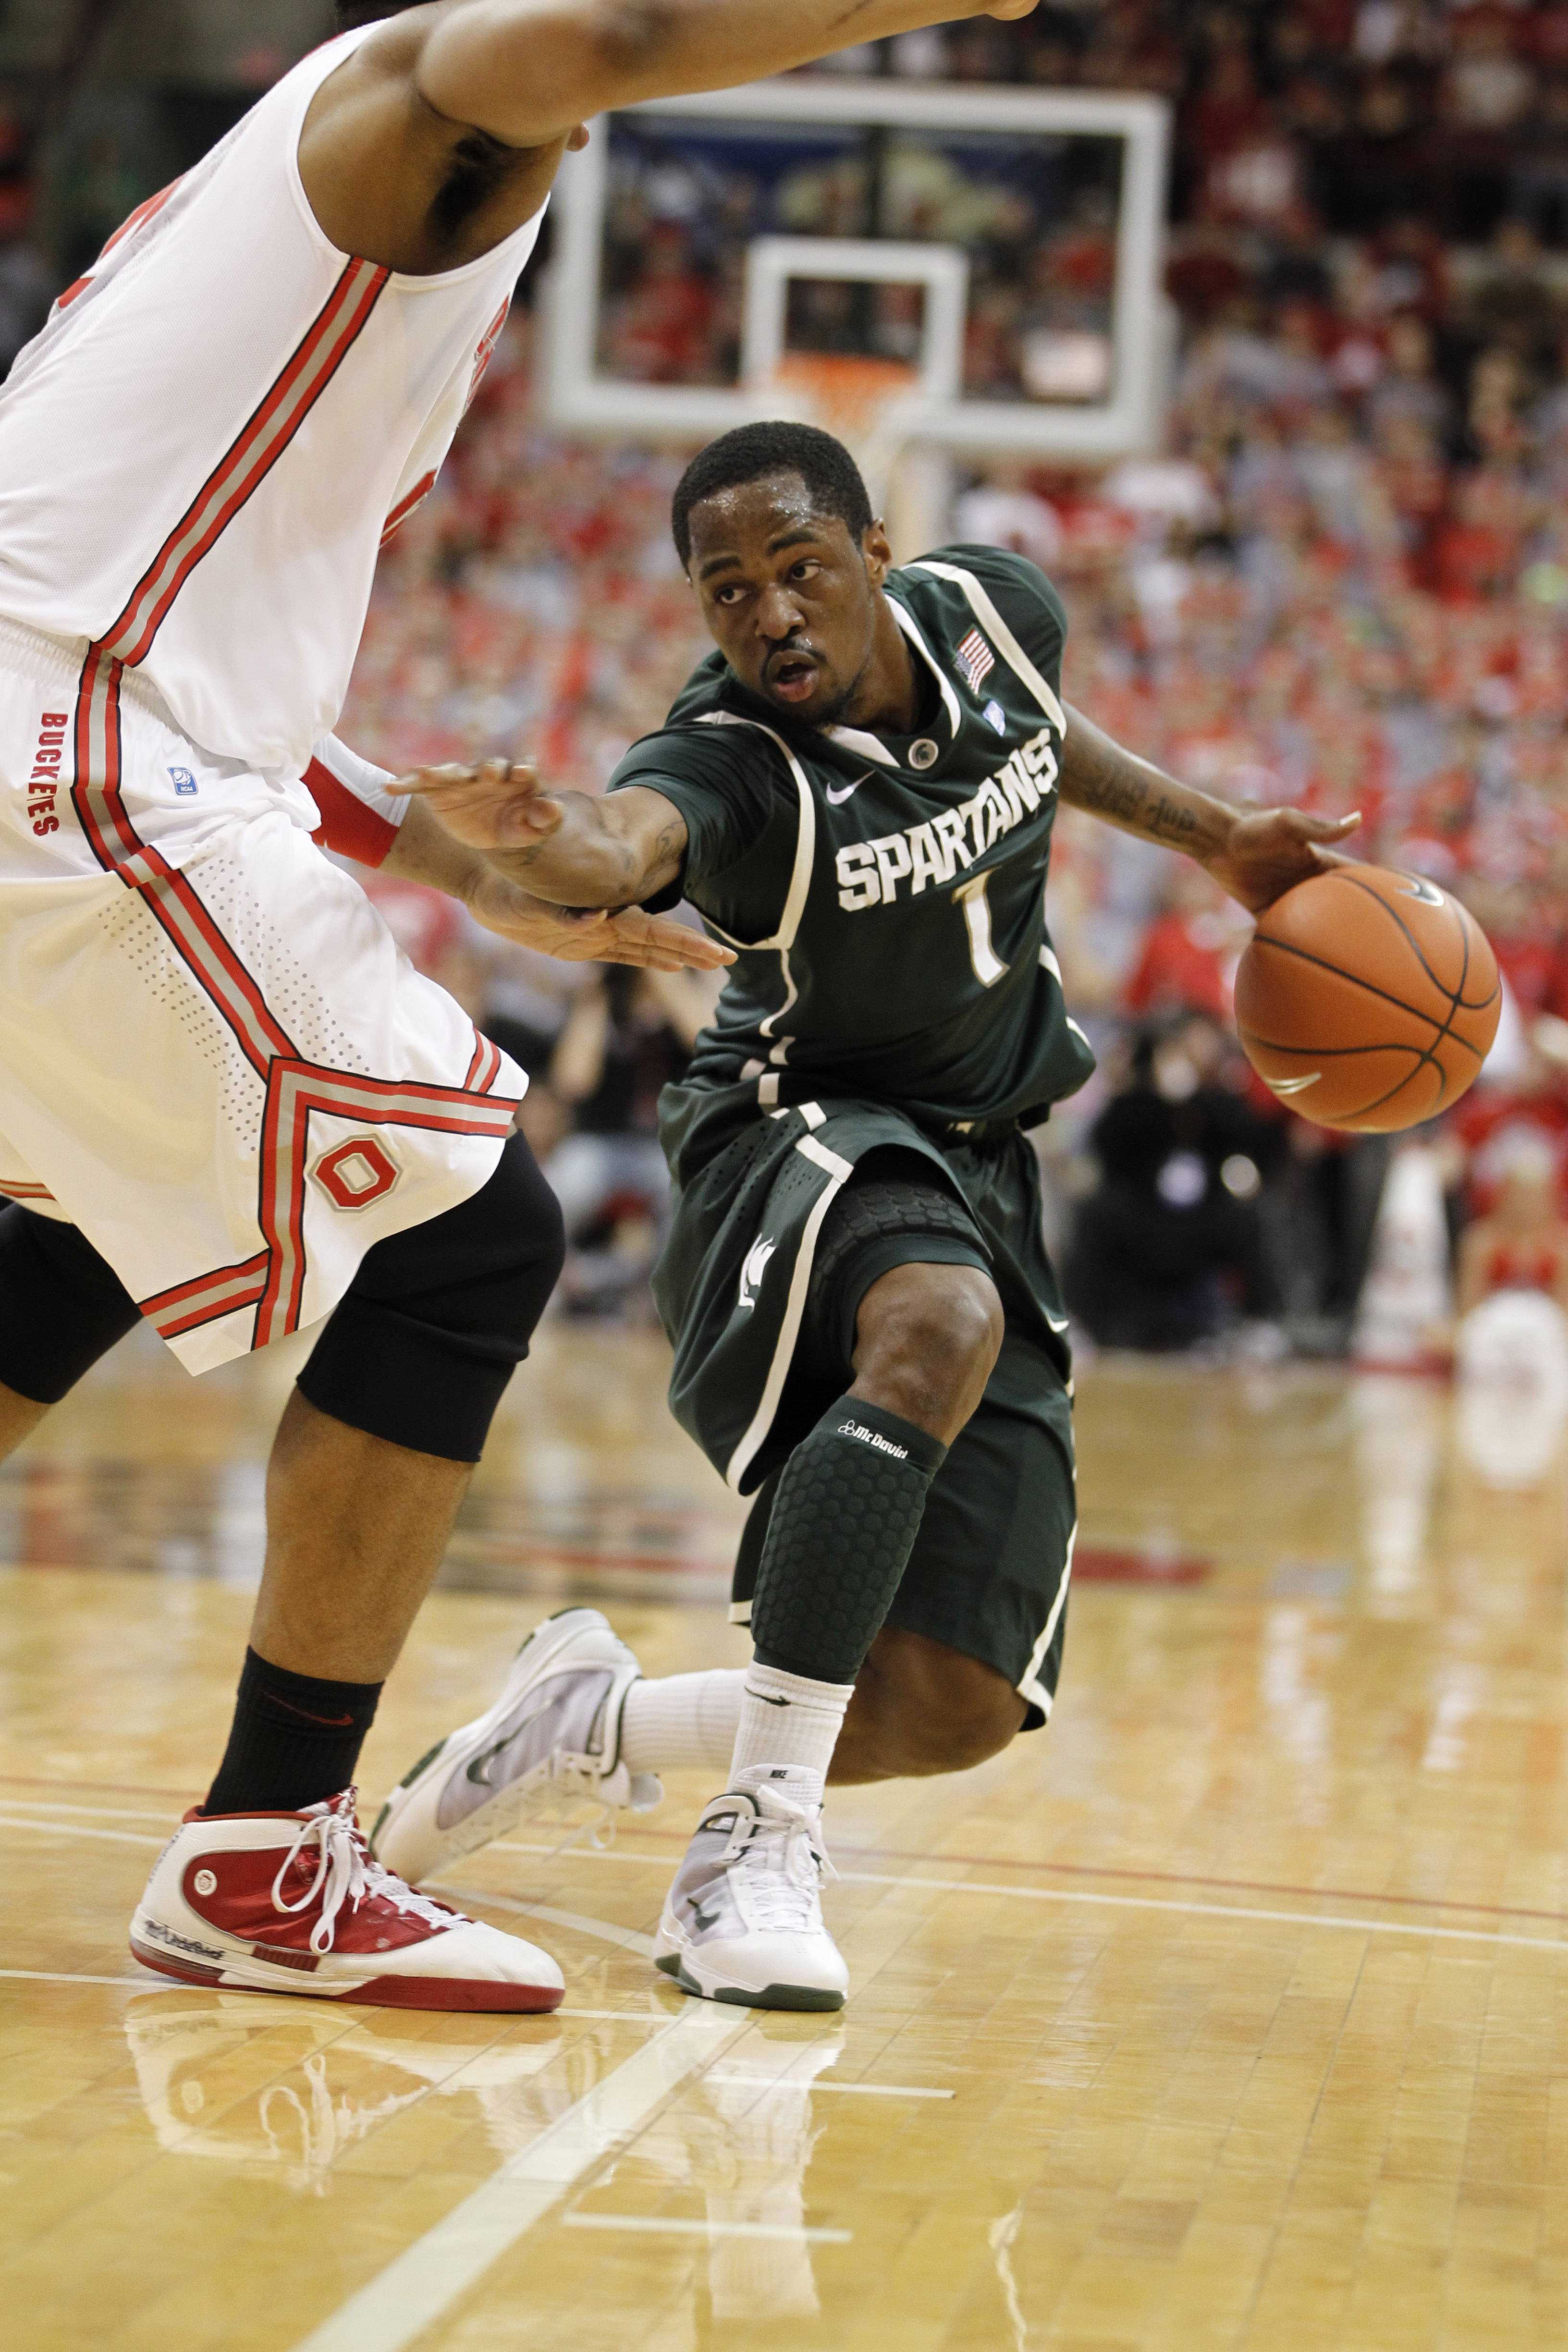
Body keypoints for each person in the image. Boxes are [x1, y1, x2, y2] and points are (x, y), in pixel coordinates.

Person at [0, 0, 1035, 2012]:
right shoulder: (404, 104)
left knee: (59, 1248)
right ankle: (270, 1851)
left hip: (70, 750)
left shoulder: (228, 244)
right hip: (69, 772)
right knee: (469, 1237)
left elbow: (147, 643)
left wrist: (448, 855)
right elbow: (629, 32)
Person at [372, 420, 1357, 2011]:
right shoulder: (737, 762)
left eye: (799, 570)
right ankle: (758, 1838)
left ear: (878, 557)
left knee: (955, 1700)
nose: (768, 616)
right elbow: (636, 835)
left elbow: (1045, 741)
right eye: (728, 592)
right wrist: (549, 840)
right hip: (788, 1129)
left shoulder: (999, 614)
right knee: (935, 1323)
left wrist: (1217, 838)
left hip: (982, 1157)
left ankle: (589, 1727)